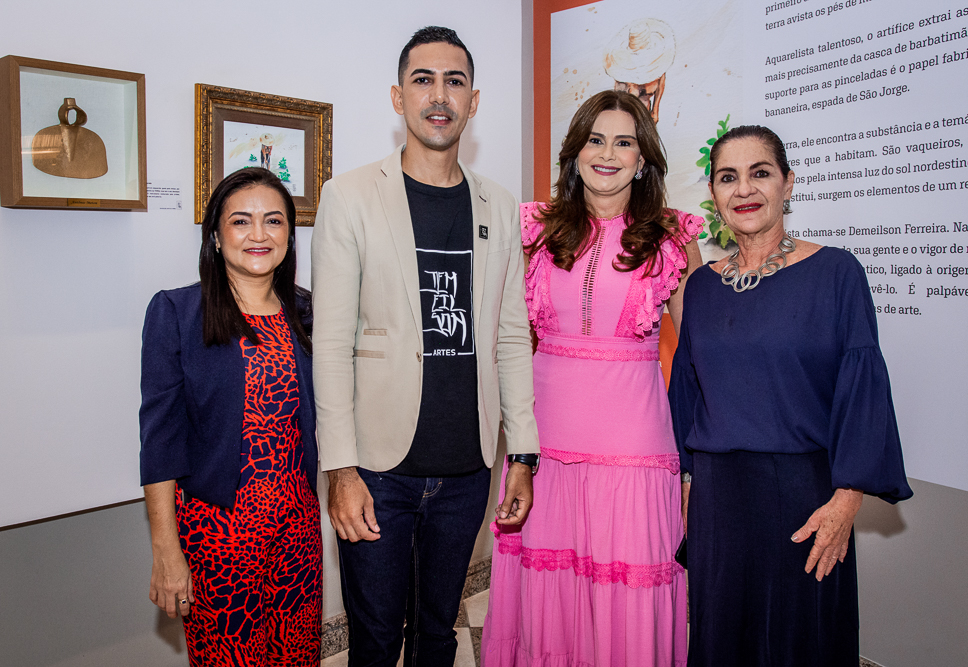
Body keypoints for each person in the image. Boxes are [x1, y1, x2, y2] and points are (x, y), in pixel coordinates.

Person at [310, 26, 540, 666]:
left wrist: (521, 451)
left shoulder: (498, 203)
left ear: (473, 100)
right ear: (397, 96)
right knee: (377, 639)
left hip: (468, 466)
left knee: (440, 633)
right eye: (423, 80)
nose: (439, 96)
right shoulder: (350, 196)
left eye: (454, 81)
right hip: (378, 471)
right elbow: (330, 342)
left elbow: (511, 335)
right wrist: (341, 468)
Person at [668, 125, 913, 666]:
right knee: (721, 637)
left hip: (806, 498)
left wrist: (847, 500)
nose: (744, 189)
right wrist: (687, 485)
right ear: (713, 194)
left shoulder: (836, 272)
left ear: (788, 184)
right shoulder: (702, 287)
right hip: (719, 501)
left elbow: (862, 387)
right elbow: (686, 390)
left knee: (803, 641)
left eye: (760, 173)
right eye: (727, 177)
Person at [482, 89, 703, 667]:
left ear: (643, 158)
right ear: (575, 152)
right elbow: (502, 338)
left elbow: (707, 351)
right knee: (545, 591)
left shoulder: (673, 236)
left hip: (633, 448)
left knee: (624, 600)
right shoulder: (534, 229)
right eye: (595, 139)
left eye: (624, 141)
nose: (608, 153)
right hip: (543, 445)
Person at [139, 167, 321, 666]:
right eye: (241, 221)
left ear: (289, 234)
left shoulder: (308, 313)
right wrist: (165, 550)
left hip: (297, 529)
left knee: (297, 657)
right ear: (216, 237)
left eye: (274, 221)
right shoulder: (176, 313)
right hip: (217, 536)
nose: (258, 235)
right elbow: (160, 442)